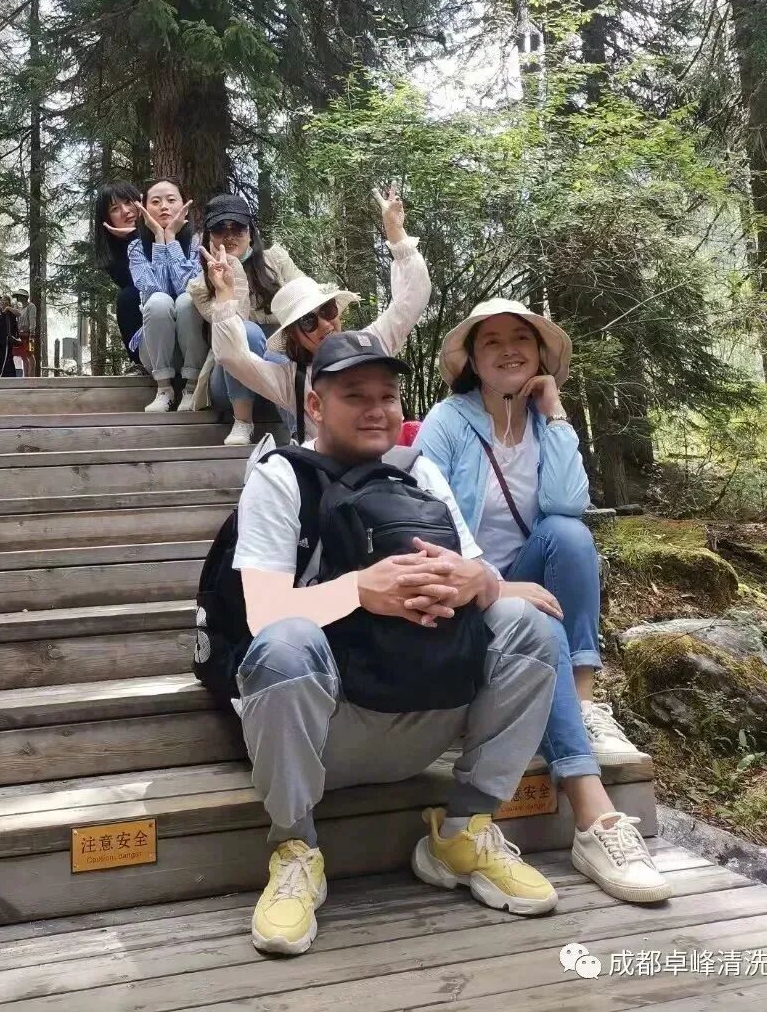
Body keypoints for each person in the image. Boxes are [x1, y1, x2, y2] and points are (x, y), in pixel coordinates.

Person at [230, 330, 563, 956]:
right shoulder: (280, 478)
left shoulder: (418, 471)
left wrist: (480, 580)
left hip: (428, 718)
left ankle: (463, 832)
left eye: (387, 396)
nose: (377, 409)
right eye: (355, 395)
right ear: (315, 406)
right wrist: (360, 590)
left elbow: (472, 571)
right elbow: (263, 613)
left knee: (530, 625)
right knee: (284, 642)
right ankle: (296, 849)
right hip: (325, 733)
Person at [413, 299, 670, 905]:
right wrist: (493, 585)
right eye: (491, 341)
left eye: (521, 338)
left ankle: (582, 700)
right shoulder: (447, 422)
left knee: (571, 538)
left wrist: (554, 417)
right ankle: (594, 815)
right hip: (463, 588)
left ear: (539, 353)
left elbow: (566, 504)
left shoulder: (542, 419)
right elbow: (428, 516)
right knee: (538, 618)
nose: (509, 350)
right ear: (471, 360)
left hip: (527, 583)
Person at [202, 186, 431, 442]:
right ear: (294, 335)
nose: (325, 324)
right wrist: (225, 294)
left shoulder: (370, 344)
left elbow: (410, 302)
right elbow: (233, 357)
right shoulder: (291, 380)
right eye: (308, 321)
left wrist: (396, 232)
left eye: (328, 310)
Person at [187, 194, 303, 446]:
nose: (229, 236)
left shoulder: (276, 261)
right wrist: (231, 276)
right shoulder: (199, 286)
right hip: (229, 384)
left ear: (251, 232)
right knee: (245, 331)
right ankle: (242, 421)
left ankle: (300, 435)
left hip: (278, 373)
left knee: (277, 355)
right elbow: (230, 330)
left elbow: (305, 299)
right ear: (208, 237)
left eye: (237, 228)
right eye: (219, 229)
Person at [127, 177, 208, 412]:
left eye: (171, 200)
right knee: (158, 301)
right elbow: (156, 290)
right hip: (156, 354)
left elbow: (189, 287)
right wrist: (159, 239)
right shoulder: (136, 248)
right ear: (144, 208)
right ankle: (164, 390)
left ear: (184, 206)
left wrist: (171, 238)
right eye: (155, 201)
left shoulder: (199, 244)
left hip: (194, 349)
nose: (164, 206)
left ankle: (192, 388)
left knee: (187, 300)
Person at [94, 181, 145, 367]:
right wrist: (133, 237)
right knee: (128, 297)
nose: (125, 211)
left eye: (129, 202)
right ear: (106, 219)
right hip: (149, 313)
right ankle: (139, 362)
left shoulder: (167, 228)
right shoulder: (113, 253)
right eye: (115, 209)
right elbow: (139, 283)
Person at [0, 296, 20, 377]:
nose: (2, 302)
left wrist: (8, 308)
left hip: (7, 339)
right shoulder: (1, 312)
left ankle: (6, 375)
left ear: (8, 302)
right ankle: (5, 375)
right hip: (1, 340)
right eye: (1, 300)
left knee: (7, 357)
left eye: (4, 300)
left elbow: (18, 313)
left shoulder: (9, 312)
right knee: (3, 357)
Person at [14, 291, 37, 376]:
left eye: (20, 296)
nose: (19, 298)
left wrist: (32, 333)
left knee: (30, 354)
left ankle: (31, 377)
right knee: (23, 355)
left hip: (29, 334)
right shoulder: (21, 308)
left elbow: (32, 319)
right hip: (21, 335)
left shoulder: (31, 306)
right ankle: (26, 376)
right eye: (18, 296)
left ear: (25, 297)